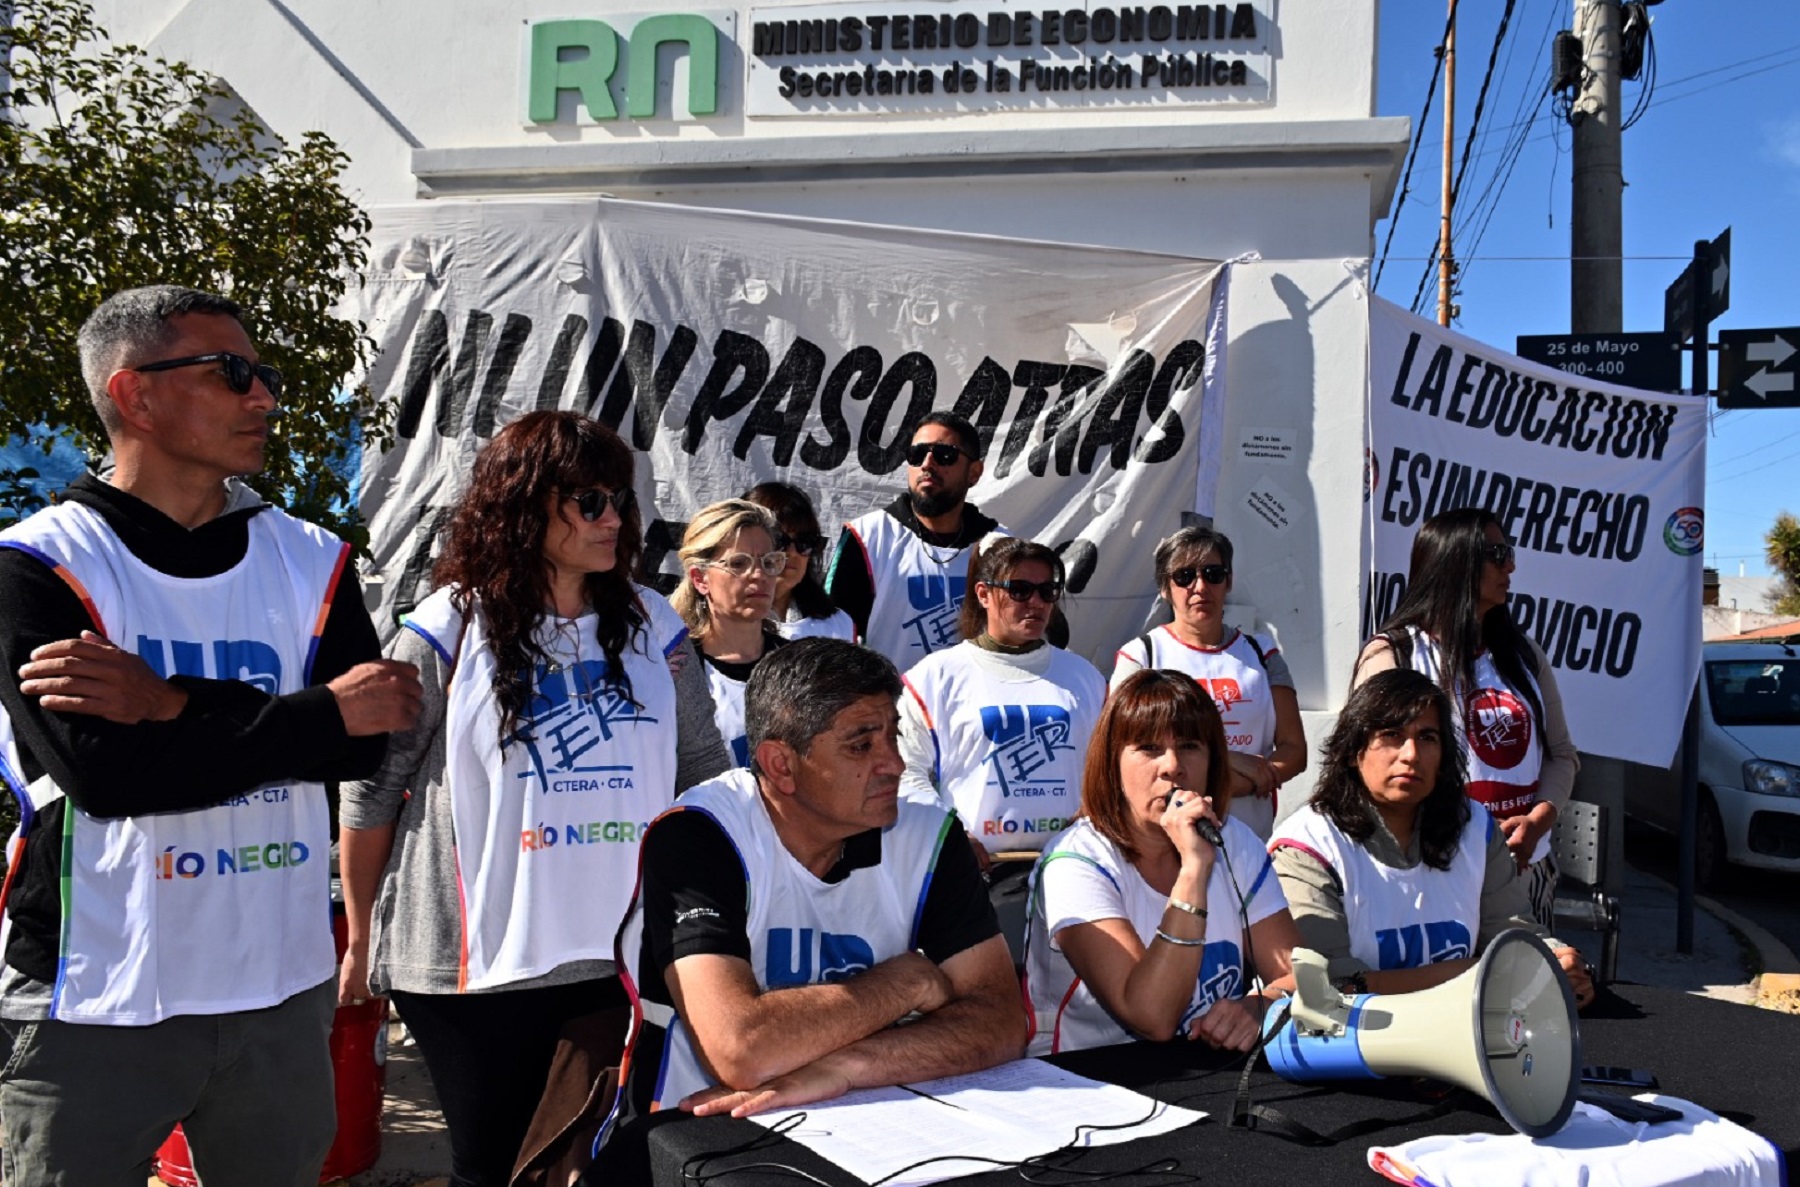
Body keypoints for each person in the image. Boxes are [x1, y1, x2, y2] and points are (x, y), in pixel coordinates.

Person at [0, 285, 420, 1186]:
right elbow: (106, 777)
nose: (263, 397)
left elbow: (364, 746)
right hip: (95, 993)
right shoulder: (39, 562)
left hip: (280, 986)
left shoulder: (313, 556)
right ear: (134, 395)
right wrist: (314, 715)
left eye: (263, 374)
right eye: (231, 374)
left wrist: (168, 703)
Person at [338, 411, 730, 1187]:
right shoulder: (448, 627)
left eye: (618, 498)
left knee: (595, 1161)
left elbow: (704, 774)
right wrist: (358, 936)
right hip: (468, 968)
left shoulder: (655, 625)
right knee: (491, 1168)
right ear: (524, 504)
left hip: (618, 949)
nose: (614, 517)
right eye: (589, 501)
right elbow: (372, 790)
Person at [599, 638, 1023, 1171]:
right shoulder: (700, 835)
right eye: (861, 746)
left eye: (894, 734)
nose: (893, 763)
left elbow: (1003, 1023)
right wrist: (905, 983)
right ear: (780, 765)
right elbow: (741, 1051)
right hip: (697, 1131)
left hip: (874, 1114)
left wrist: (845, 1066)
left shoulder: (927, 830)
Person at [1270, 668, 1595, 1007]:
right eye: (1392, 734)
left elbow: (1514, 934)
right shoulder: (1305, 846)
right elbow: (1330, 985)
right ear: (1354, 751)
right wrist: (1480, 975)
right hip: (1353, 1048)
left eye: (1427, 737)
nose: (1411, 754)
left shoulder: (1474, 826)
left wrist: (1560, 963)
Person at [1023, 669, 1299, 1057]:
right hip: (1091, 1082)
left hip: (1208, 1076)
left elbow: (1298, 975)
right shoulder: (1074, 861)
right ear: (1111, 763)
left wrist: (1263, 1004)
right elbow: (1151, 1016)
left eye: (1189, 746)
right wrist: (1194, 869)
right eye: (1149, 748)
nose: (1172, 766)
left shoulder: (1234, 840)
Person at [1353, 507, 1579, 926]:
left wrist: (1538, 820)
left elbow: (1561, 753)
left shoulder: (1524, 655)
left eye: (1507, 551)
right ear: (1454, 562)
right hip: (1432, 874)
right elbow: (1367, 770)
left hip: (1524, 871)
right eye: (1496, 553)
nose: (1510, 564)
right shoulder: (1393, 656)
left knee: (1523, 988)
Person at [898, 536, 1105, 871]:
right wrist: (949, 836)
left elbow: (1113, 770)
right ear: (983, 594)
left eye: (1047, 591)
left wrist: (1095, 818)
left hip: (1069, 869)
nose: (1036, 602)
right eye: (1020, 590)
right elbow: (905, 771)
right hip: (972, 872)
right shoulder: (933, 678)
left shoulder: (1086, 678)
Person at [1111, 526, 1307, 840]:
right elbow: (1123, 749)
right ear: (1165, 587)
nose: (1200, 586)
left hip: (1249, 840)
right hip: (1168, 842)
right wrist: (1231, 762)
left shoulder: (1263, 653)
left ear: (1228, 581)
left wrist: (1247, 782)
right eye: (1184, 576)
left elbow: (1295, 750)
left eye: (1213, 574)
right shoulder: (1140, 656)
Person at [827, 411, 1021, 666]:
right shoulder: (867, 536)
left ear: (974, 472)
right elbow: (830, 638)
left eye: (945, 455)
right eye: (917, 454)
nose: (928, 464)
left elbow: (1020, 635)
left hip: (971, 702)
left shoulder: (1000, 545)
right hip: (892, 703)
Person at [671, 498, 789, 767]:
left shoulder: (799, 663)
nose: (758, 575)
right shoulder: (676, 670)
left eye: (769, 562)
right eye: (738, 563)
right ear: (700, 579)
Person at [741, 481, 855, 642]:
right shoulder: (719, 621)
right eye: (779, 540)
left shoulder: (836, 624)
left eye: (805, 542)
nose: (792, 553)